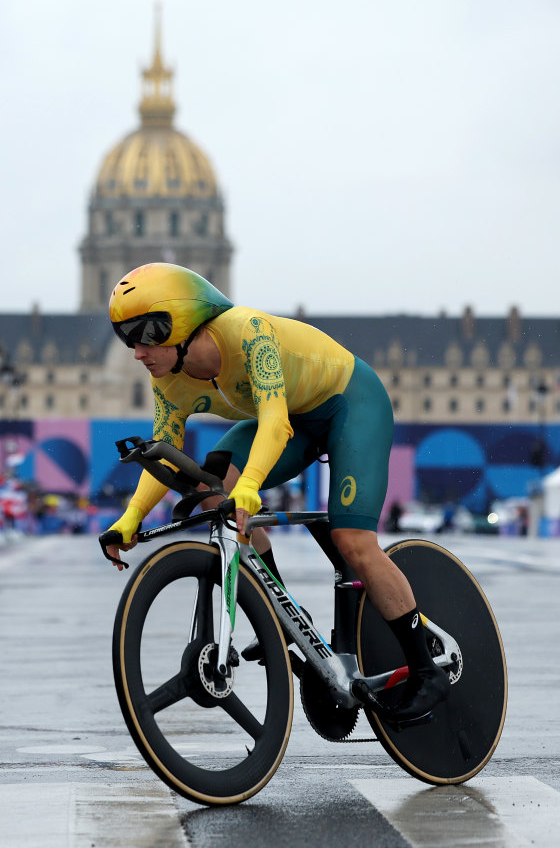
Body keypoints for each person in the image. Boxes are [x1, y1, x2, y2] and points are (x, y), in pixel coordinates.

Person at [105, 262, 449, 725]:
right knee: (209, 487)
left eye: (143, 336)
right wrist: (131, 519)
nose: (136, 352)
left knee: (352, 541)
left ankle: (427, 670)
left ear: (179, 324)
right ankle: (283, 611)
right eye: (128, 339)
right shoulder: (167, 376)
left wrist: (249, 486)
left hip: (350, 404)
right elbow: (167, 453)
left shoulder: (249, 332)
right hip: (298, 417)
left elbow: (275, 422)